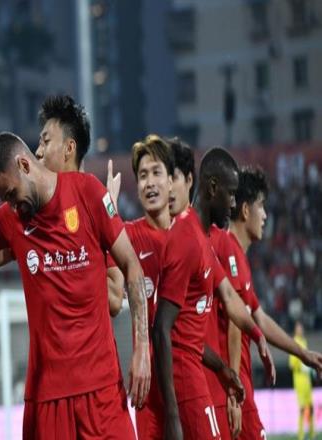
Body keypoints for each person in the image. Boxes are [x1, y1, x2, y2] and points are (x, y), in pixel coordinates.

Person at [0, 132, 151, 439]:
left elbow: (133, 267)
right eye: (6, 199)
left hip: (102, 391)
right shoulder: (14, 219)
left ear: (24, 164)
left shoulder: (88, 192)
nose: (11, 204)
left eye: (11, 193)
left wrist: (142, 348)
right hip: (47, 397)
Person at [106, 135, 243, 440]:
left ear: (172, 181)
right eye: (142, 175)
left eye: (156, 173)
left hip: (183, 380)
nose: (149, 183)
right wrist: (108, 217)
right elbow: (113, 299)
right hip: (148, 389)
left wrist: (222, 367)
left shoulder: (190, 237)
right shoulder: (126, 239)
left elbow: (184, 332)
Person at [0, 94, 124, 316]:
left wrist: (107, 220)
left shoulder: (94, 203)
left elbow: (115, 301)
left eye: (46, 142)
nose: (38, 152)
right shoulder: (23, 210)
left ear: (69, 148)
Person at [154, 144, 275, 440]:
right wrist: (172, 416)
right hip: (184, 380)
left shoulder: (203, 238)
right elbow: (162, 329)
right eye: (230, 194)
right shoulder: (186, 239)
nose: (233, 204)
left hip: (196, 371)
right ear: (212, 187)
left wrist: (229, 364)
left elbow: (228, 298)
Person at [227, 166, 322, 439]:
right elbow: (234, 324)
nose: (266, 215)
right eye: (261, 206)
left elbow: (258, 316)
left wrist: (302, 353)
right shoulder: (227, 250)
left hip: (239, 386)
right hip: (234, 390)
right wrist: (233, 390)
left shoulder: (240, 258)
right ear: (246, 210)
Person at [289, 321, 315, 440]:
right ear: (295, 330)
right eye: (298, 327)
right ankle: (301, 436)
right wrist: (301, 365)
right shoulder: (294, 342)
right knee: (302, 408)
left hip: (307, 381)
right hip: (299, 380)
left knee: (310, 408)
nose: (301, 329)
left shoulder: (304, 342)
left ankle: (312, 434)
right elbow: (292, 364)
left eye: (301, 327)